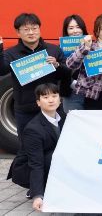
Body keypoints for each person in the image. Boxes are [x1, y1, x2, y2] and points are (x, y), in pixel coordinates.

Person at [0, 13, 70, 135]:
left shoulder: (53, 50)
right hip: (25, 110)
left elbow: (67, 74)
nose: (31, 32)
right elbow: (2, 71)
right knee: (28, 143)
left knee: (56, 142)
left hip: (51, 108)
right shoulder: (10, 53)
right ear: (18, 32)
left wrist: (57, 65)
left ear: (39, 29)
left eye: (34, 28)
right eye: (26, 29)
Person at [8, 83, 65, 212]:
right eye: (45, 97)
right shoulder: (33, 129)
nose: (51, 100)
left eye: (54, 96)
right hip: (27, 168)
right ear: (38, 102)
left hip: (47, 159)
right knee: (54, 156)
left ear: (60, 99)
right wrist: (38, 195)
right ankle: (39, 189)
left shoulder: (65, 117)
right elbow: (36, 163)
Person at [66, 13, 102, 110]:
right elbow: (70, 64)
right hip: (92, 98)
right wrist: (85, 47)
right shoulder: (89, 47)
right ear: (97, 32)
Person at [60, 14, 88, 112]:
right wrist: (74, 83)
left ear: (83, 29)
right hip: (71, 93)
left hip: (91, 93)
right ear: (66, 31)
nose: (75, 31)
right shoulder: (60, 49)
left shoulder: (92, 46)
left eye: (78, 27)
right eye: (71, 28)